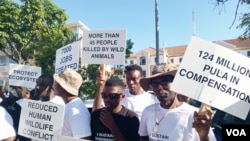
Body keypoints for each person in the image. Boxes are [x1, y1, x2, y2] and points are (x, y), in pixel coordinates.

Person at [138, 63, 217, 141]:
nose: (159, 87)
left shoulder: (194, 115)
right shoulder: (148, 111)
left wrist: (204, 137)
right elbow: (144, 137)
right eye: (154, 84)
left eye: (164, 82)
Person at [92, 64, 158, 121]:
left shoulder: (152, 100)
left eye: (134, 79)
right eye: (128, 79)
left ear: (141, 78)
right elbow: (97, 111)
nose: (130, 82)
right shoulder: (117, 95)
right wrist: (101, 84)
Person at [53, 68, 92, 140]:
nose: (54, 84)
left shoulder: (76, 111)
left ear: (63, 87)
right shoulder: (69, 106)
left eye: (57, 82)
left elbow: (84, 139)